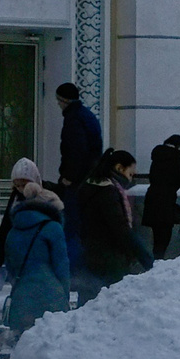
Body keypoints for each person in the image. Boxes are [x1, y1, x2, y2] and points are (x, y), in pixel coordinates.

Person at [0, 159, 71, 333]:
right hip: (51, 298)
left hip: (22, 298)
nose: (20, 190)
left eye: (23, 185)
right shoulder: (52, 227)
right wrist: (64, 294)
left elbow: (10, 265)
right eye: (16, 185)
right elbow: (61, 265)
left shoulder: (14, 227)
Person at [75, 148, 153, 295]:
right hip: (110, 259)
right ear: (119, 168)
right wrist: (145, 257)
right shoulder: (108, 192)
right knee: (109, 302)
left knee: (88, 305)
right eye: (130, 174)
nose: (131, 179)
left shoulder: (89, 186)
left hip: (90, 253)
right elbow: (120, 228)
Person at [55, 83, 103, 266]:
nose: (58, 104)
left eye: (59, 100)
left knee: (72, 227)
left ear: (64, 100)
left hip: (78, 182)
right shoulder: (86, 115)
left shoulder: (73, 119)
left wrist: (70, 177)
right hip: (89, 179)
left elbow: (76, 150)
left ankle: (72, 269)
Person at [142, 135, 180, 261]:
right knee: (165, 236)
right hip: (166, 204)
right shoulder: (175, 158)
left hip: (152, 201)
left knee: (158, 238)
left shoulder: (157, 158)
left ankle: (157, 263)